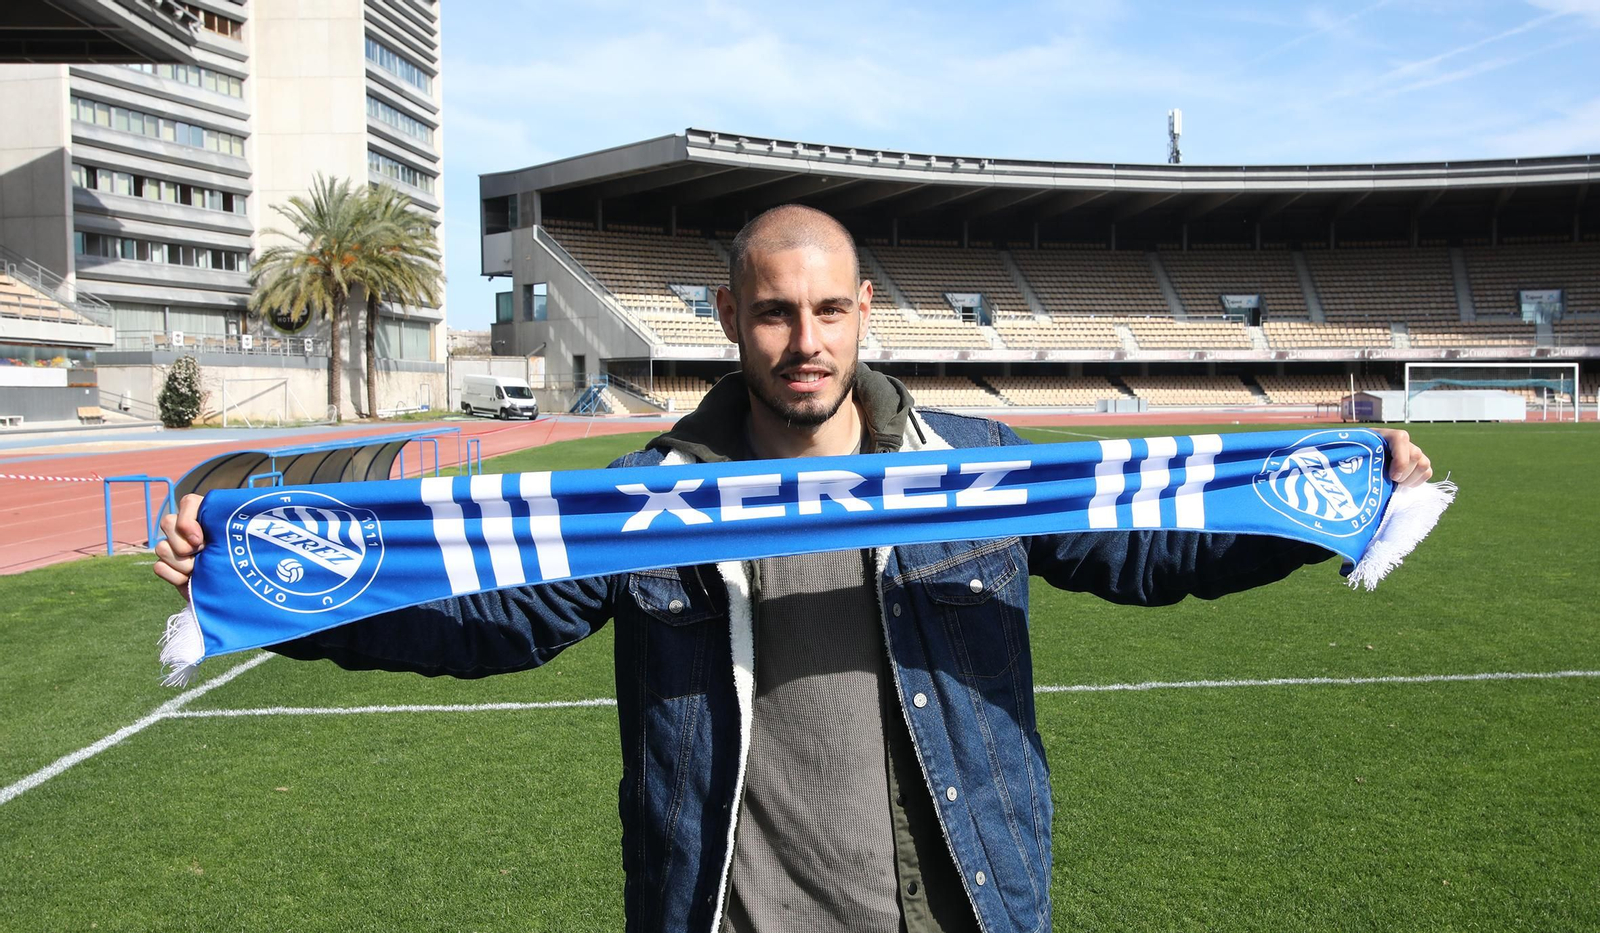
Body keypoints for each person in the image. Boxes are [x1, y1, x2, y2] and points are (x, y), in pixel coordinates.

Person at [156, 205, 1434, 933]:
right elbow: (491, 614)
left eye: (827, 311)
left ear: (865, 308)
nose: (804, 341)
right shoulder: (653, 496)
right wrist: (274, 589)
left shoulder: (972, 469)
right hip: (732, 912)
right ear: (729, 319)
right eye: (774, 311)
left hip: (956, 905)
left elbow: (1153, 544)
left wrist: (1336, 499)